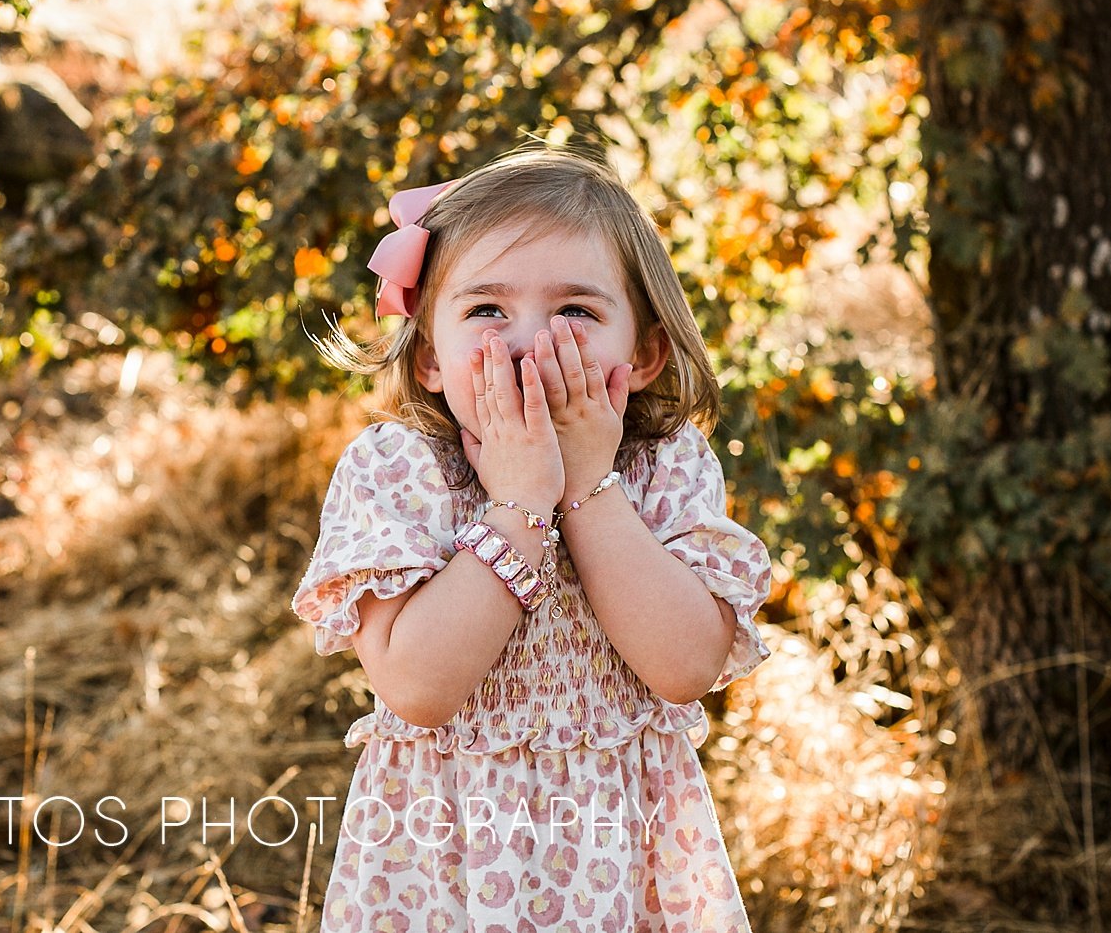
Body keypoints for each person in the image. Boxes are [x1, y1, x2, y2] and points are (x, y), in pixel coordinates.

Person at [293, 147, 773, 928]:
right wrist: (519, 504)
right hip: (444, 855)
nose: (530, 342)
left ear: (645, 353)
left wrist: (587, 488)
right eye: (486, 311)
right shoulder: (399, 473)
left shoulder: (663, 467)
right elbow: (416, 688)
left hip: (617, 853)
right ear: (428, 358)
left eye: (576, 312)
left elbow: (687, 666)